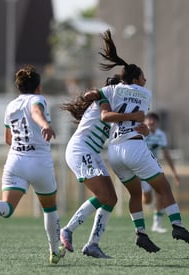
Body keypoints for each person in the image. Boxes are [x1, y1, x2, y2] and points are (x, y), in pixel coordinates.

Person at [95, 29, 189, 251]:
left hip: (114, 152)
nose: (145, 79)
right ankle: (177, 225)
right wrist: (139, 125)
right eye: (142, 77)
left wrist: (92, 95)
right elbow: (138, 117)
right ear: (135, 79)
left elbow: (104, 109)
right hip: (134, 147)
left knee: (135, 193)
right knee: (164, 188)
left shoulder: (111, 89)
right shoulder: (146, 93)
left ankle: (141, 233)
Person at [0, 65, 65, 264]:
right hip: (39, 161)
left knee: (8, 207)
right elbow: (36, 111)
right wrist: (45, 125)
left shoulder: (10, 106)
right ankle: (55, 251)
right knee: (49, 209)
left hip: (15, 161)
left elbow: (8, 139)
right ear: (38, 87)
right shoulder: (38, 99)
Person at [59, 75, 147, 258]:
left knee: (111, 199)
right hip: (80, 150)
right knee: (103, 195)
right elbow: (106, 116)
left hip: (93, 153)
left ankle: (93, 244)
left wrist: (144, 129)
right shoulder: (104, 101)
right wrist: (133, 116)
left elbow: (128, 128)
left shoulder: (116, 107)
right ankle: (67, 230)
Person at [141, 112, 181, 233]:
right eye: (148, 120)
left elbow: (166, 154)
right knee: (147, 200)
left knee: (160, 193)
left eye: (153, 120)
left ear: (157, 123)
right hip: (140, 168)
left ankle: (156, 224)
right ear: (145, 121)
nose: (150, 122)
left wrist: (174, 173)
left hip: (153, 167)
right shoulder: (140, 133)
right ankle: (143, 196)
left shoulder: (161, 135)